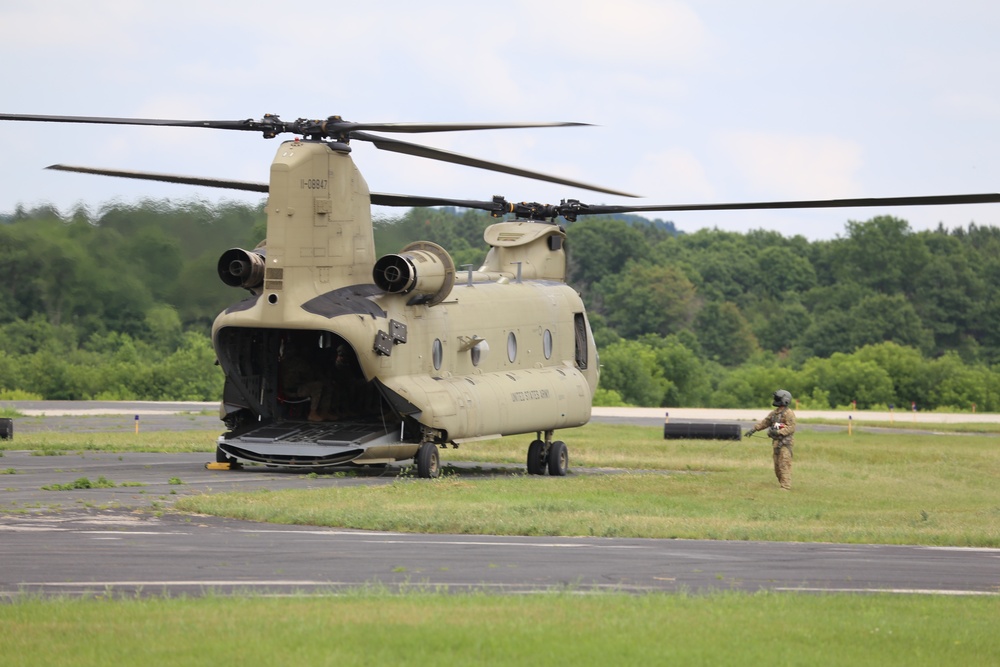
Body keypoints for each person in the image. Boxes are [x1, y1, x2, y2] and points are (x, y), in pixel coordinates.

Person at [744, 389, 796, 490]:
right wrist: (754, 429)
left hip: (785, 443)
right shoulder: (774, 413)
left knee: (784, 465)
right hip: (776, 443)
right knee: (777, 467)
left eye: (777, 398)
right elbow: (765, 422)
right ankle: (782, 483)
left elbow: (791, 427)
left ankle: (785, 487)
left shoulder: (789, 413)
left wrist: (778, 432)